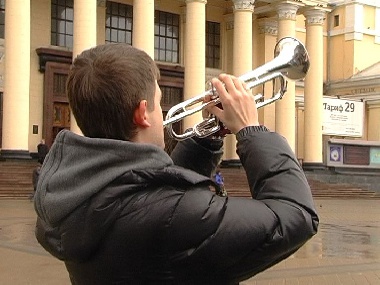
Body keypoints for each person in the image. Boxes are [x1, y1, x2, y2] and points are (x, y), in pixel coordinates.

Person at [34, 43, 318, 285]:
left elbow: (153, 191)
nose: (163, 113)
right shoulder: (174, 217)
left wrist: (208, 139)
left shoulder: (77, 191)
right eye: (159, 103)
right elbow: (295, 216)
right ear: (143, 114)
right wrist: (250, 130)